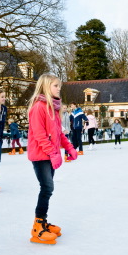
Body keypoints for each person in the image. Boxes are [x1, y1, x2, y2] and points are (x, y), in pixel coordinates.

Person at [27, 74, 78, 244]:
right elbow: (40, 135)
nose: (58, 89)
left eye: (59, 86)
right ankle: (38, 226)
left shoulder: (53, 108)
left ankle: (43, 221)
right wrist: (53, 153)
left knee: (48, 188)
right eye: (56, 86)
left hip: (50, 155)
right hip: (41, 155)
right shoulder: (38, 107)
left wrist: (69, 147)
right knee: (47, 187)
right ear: (46, 86)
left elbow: (58, 133)